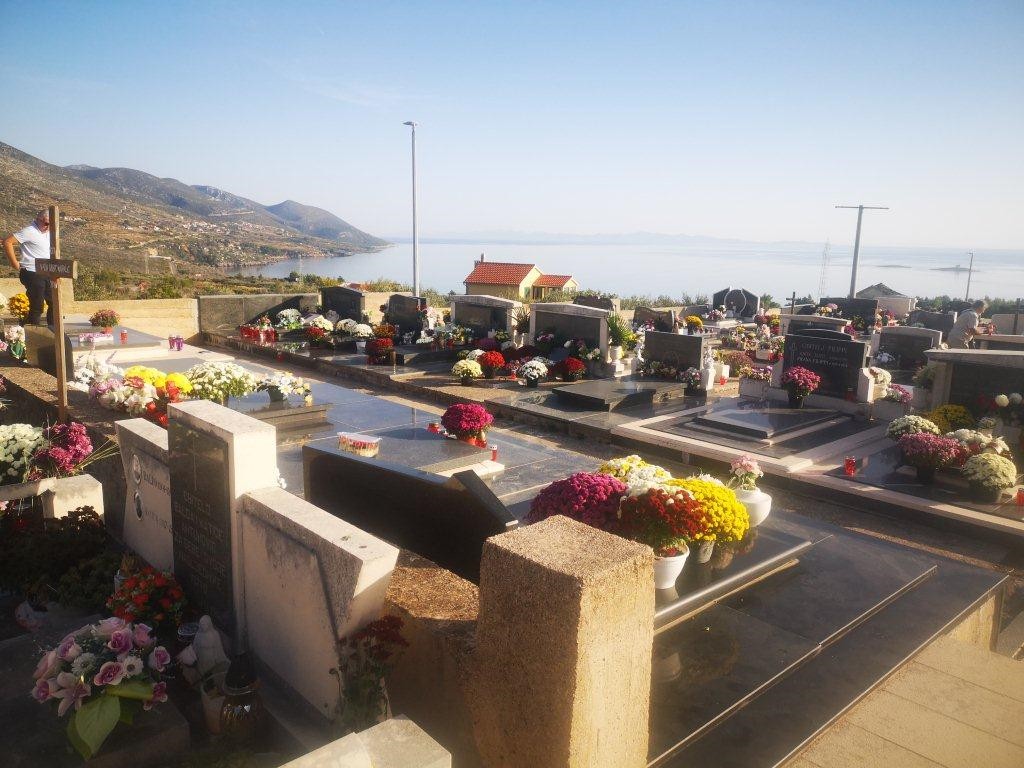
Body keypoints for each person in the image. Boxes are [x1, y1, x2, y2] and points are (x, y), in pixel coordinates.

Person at [3, 210, 53, 325]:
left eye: (51, 224)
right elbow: (7, 242)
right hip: (32, 272)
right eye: (46, 223)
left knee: (54, 303)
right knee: (37, 305)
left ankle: (53, 331)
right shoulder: (29, 231)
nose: (48, 227)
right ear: (38, 219)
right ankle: (32, 332)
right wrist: (14, 263)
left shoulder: (50, 232)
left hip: (47, 272)